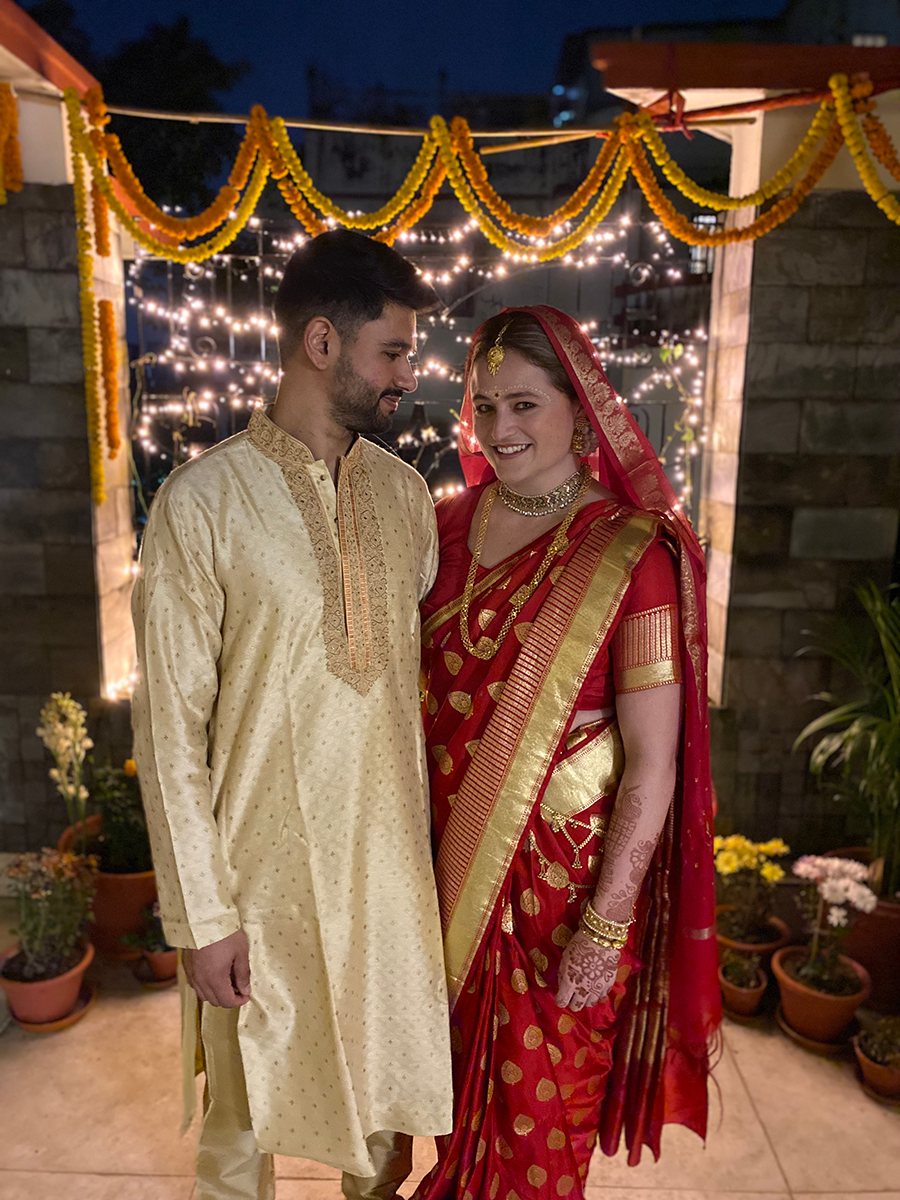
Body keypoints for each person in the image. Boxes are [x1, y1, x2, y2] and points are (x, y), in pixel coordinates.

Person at [131, 229, 454, 1200]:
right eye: (392, 350)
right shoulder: (202, 504)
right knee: (241, 1135)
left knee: (386, 1128)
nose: (408, 372)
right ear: (322, 343)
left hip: (389, 883)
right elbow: (170, 734)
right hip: (257, 887)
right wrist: (201, 916)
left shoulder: (405, 501)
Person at [413, 306, 720, 1200]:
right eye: (484, 405)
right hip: (437, 869)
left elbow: (653, 761)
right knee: (449, 1115)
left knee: (536, 1141)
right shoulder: (441, 528)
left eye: (524, 405)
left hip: (558, 899)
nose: (500, 429)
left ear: (581, 415)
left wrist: (606, 920)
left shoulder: (633, 554)